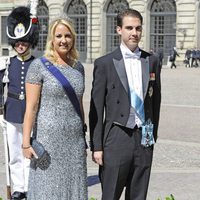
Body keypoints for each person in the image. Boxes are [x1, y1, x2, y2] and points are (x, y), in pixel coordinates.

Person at [89, 8, 161, 200]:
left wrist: (152, 135)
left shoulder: (151, 61)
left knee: (139, 195)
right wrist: (97, 146)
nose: (134, 33)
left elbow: (156, 102)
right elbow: (96, 108)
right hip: (117, 136)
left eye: (138, 28)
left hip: (144, 137)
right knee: (111, 193)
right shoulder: (104, 63)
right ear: (119, 30)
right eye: (129, 28)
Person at [22, 15, 87, 199]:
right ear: (51, 39)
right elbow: (31, 108)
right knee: (47, 189)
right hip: (48, 141)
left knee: (73, 188)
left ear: (73, 38)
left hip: (74, 141)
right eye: (58, 36)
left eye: (67, 36)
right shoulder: (38, 67)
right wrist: (26, 143)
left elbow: (80, 106)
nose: (63, 40)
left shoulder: (78, 68)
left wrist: (83, 138)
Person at [0, 5, 39, 200]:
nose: (20, 46)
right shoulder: (7, 63)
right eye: (18, 43)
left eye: (24, 42)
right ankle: (19, 188)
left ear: (30, 42)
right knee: (14, 153)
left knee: (28, 152)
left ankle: (30, 185)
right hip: (12, 112)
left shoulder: (37, 64)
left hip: (30, 114)